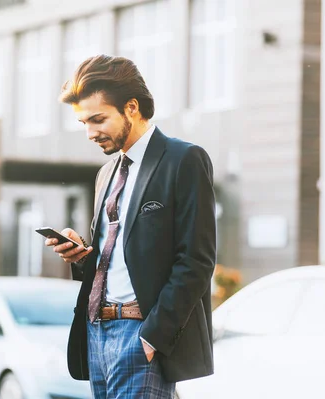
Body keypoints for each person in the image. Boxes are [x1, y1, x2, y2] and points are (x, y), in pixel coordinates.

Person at [45, 54, 216, 398]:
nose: (91, 133)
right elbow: (116, 257)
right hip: (97, 331)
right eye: (84, 124)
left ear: (132, 107)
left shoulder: (183, 160)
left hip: (141, 333)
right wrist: (81, 256)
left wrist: (154, 337)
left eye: (98, 119)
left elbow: (196, 260)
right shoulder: (106, 173)